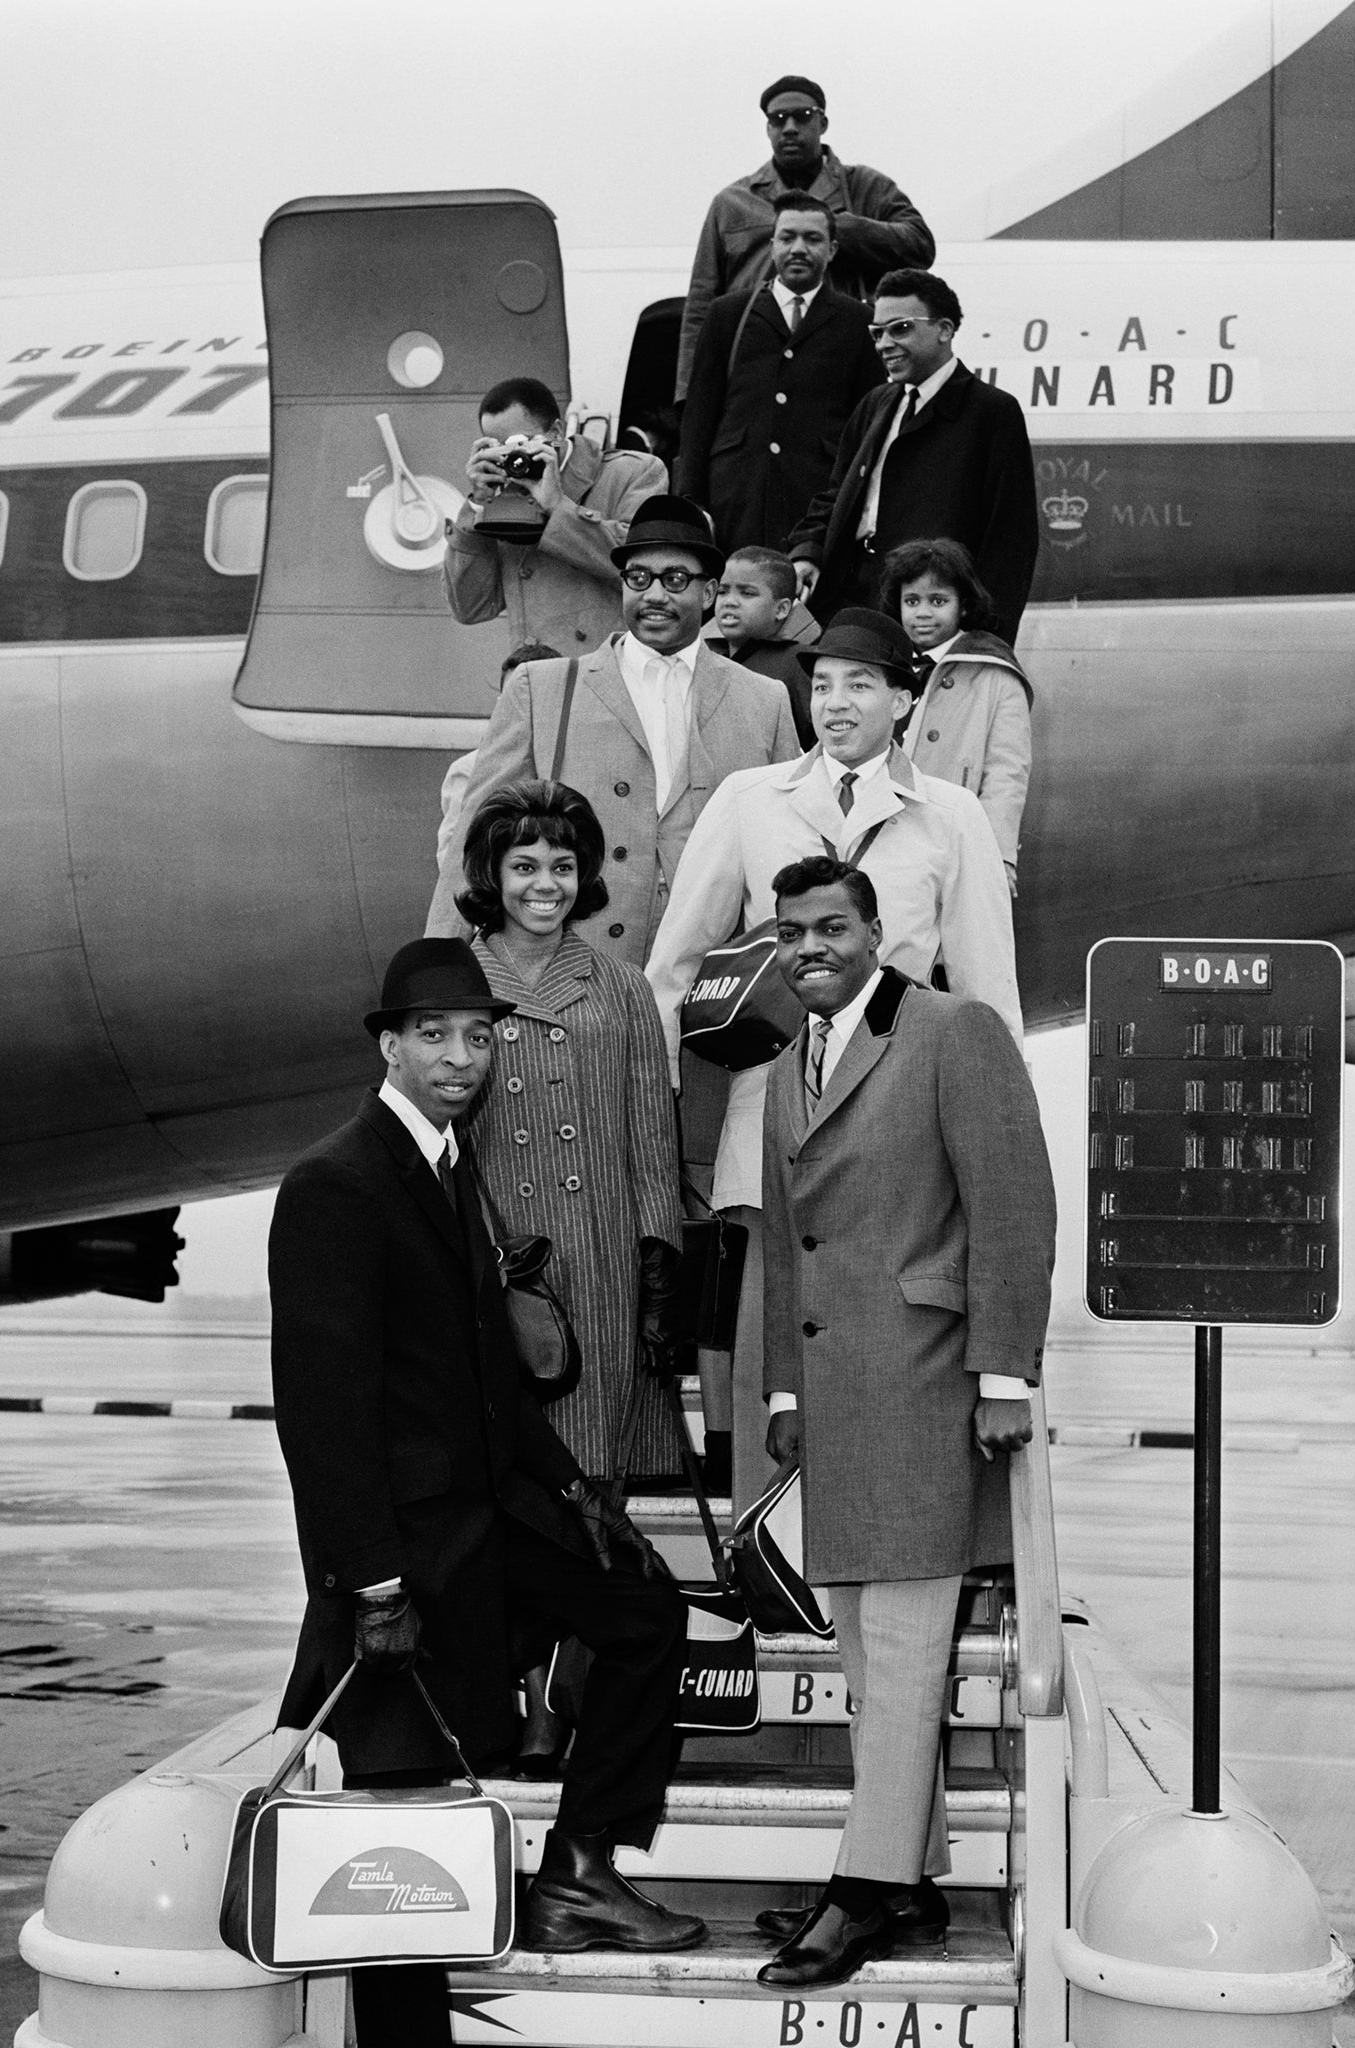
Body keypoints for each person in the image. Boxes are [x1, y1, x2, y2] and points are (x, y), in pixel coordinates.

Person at [270, 938, 704, 2046]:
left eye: (477, 1036)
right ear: (389, 1044)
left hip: (497, 1511)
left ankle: (580, 1866)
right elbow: (322, 1417)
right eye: (434, 1036)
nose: (461, 1057)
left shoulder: (452, 1167)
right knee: (404, 1832)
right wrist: (372, 1584)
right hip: (407, 1555)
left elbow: (490, 1377)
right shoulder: (336, 1182)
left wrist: (575, 1490)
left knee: (646, 1612)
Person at [754, 857, 1056, 1988]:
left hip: (931, 1388)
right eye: (792, 931)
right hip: (840, 1400)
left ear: (878, 929)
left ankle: (863, 1890)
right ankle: (913, 1872)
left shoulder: (951, 1030)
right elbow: (791, 1242)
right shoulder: (792, 1061)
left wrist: (1004, 1374)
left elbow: (1014, 1203)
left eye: (833, 925)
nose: (812, 946)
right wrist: (786, 1386)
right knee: (868, 1663)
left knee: (906, 1647)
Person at [645, 608, 1019, 1512]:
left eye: (860, 684)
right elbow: (674, 968)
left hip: (904, 1111)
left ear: (904, 698)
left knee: (890, 1337)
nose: (837, 703)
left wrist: (1001, 1145)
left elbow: (984, 992)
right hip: (773, 1099)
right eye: (822, 686)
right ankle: (772, 1568)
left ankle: (888, 1545)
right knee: (771, 1347)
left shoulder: (953, 817)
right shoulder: (749, 800)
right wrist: (654, 1112)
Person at [455, 782, 684, 1769]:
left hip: (597, 1280)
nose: (544, 883)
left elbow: (649, 1141)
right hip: (493, 1282)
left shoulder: (623, 986)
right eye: (524, 866)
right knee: (496, 1494)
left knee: (591, 1498)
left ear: (584, 873)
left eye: (560, 864)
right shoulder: (452, 982)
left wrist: (657, 1267)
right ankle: (493, 1689)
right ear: (491, 878)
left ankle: (559, 1701)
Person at [427, 496, 801, 972]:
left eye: (676, 579)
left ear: (708, 594)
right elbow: (475, 837)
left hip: (709, 983)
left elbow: (790, 849)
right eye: (639, 578)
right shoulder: (540, 689)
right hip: (567, 973)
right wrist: (440, 972)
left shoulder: (763, 699)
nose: (655, 595)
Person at [787, 271, 1041, 642]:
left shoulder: (992, 412)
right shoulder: (876, 403)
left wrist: (986, 641)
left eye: (900, 328)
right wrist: (808, 552)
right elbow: (835, 494)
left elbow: (1010, 541)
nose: (884, 344)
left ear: (944, 329)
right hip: (849, 597)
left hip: (927, 611)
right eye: (877, 333)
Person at [676, 75, 934, 401]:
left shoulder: (866, 187)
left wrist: (843, 228)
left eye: (803, 116)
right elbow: (701, 302)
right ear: (768, 129)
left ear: (823, 122)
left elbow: (921, 246)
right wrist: (690, 394)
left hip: (840, 362)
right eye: (778, 120)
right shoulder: (732, 203)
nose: (790, 128)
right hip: (752, 366)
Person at [675, 192, 883, 556]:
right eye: (787, 238)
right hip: (736, 499)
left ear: (832, 250)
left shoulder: (860, 322)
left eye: (813, 238)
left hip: (816, 505)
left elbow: (867, 426)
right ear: (772, 246)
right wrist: (692, 502)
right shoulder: (728, 314)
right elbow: (700, 414)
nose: (798, 248)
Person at [444, 376, 666, 655]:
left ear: (556, 432)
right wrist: (475, 508)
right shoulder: (498, 496)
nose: (513, 457)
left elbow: (643, 569)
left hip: (605, 670)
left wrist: (557, 506)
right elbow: (469, 607)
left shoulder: (633, 473)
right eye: (497, 447)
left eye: (519, 443)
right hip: (534, 677)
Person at [881, 538, 1032, 889]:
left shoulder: (994, 671)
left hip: (956, 841)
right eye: (911, 601)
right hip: (882, 840)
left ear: (963, 605)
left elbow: (1006, 774)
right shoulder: (884, 664)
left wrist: (997, 855)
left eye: (938, 601)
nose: (922, 613)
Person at [438, 640, 561, 873]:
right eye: (515, 699)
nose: (527, 709)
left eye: (540, 698)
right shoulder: (469, 770)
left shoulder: (581, 764)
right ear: (500, 704)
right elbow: (453, 863)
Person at [704, 547, 820, 748]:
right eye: (722, 591)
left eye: (747, 593)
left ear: (782, 609)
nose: (730, 602)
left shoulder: (798, 663)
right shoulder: (706, 657)